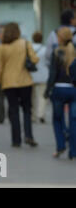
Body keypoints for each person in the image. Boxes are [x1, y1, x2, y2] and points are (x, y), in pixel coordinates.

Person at [0, 22, 39, 147]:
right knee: (27, 109)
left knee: (13, 110)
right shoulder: (25, 43)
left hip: (9, 83)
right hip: (25, 81)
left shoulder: (2, 47)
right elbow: (35, 59)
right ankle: (29, 135)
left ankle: (16, 139)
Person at [44, 27, 76, 159]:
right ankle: (73, 151)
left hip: (58, 88)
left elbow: (53, 73)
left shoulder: (57, 52)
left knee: (57, 119)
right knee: (74, 120)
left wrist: (47, 90)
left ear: (60, 38)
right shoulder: (74, 51)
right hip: (73, 89)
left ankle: (60, 145)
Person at [31, 31, 49, 123]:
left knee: (32, 97)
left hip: (31, 75)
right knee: (42, 96)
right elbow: (48, 62)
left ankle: (33, 115)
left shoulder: (30, 48)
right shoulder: (45, 49)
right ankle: (41, 114)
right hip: (43, 75)